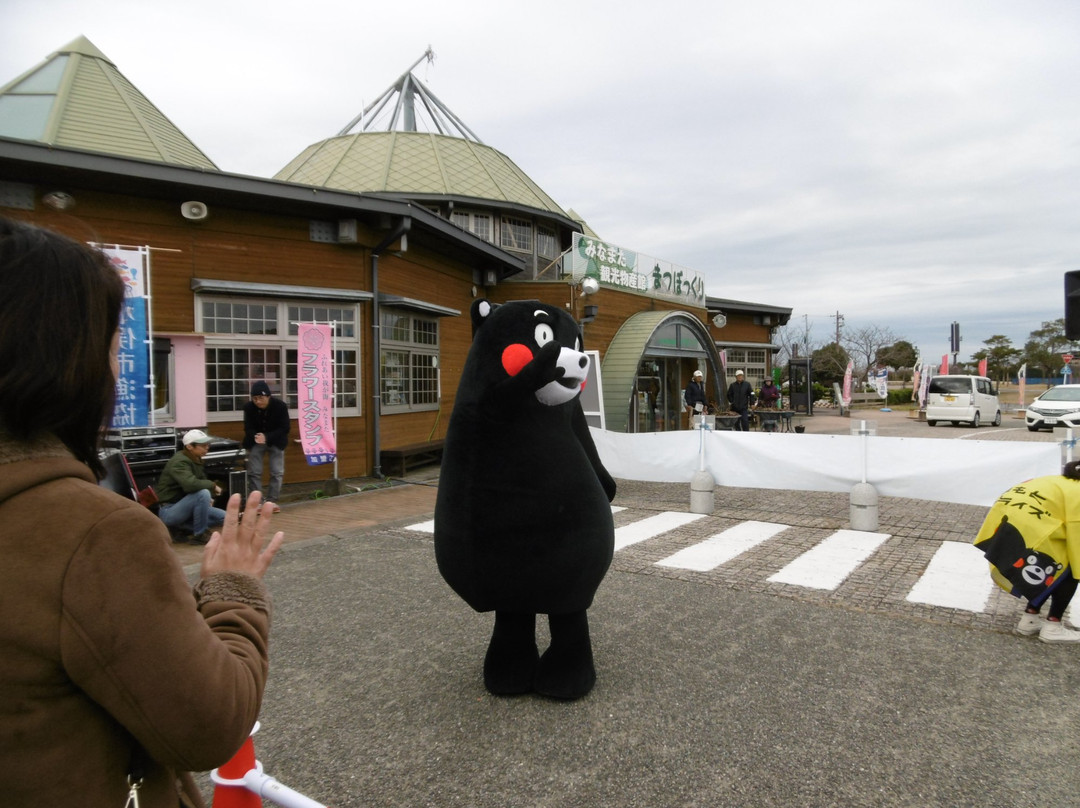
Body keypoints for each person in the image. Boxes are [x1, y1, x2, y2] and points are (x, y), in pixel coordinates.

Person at [0, 216, 284, 808]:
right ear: (63, 359)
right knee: (205, 500)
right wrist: (231, 590)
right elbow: (208, 726)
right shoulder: (91, 533)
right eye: (108, 343)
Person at [974, 461, 1080, 643]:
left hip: (1006, 518)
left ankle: (1030, 619)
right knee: (1068, 565)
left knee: (1047, 566)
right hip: (1028, 522)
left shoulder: (1061, 481)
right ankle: (1053, 626)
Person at [156, 428, 228, 544]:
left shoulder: (195, 458)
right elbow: (190, 485)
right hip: (169, 510)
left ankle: (182, 527)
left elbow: (200, 480)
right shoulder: (179, 462)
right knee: (203, 493)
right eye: (203, 445)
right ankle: (200, 534)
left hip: (186, 506)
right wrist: (213, 486)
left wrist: (209, 497)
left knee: (225, 517)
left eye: (207, 445)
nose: (207, 447)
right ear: (189, 447)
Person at [243, 380, 290, 513]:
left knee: (277, 472)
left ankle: (272, 501)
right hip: (255, 441)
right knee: (254, 472)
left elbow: (285, 428)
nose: (258, 401)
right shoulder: (248, 407)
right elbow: (248, 427)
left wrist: (267, 437)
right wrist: (256, 436)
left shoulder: (280, 406)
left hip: (276, 441)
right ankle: (258, 501)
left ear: (268, 396)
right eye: (255, 398)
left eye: (261, 398)